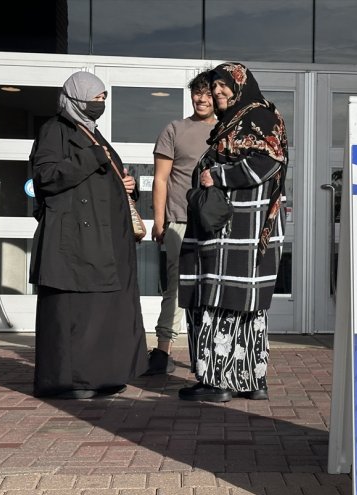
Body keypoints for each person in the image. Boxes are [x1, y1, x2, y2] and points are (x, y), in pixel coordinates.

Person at [29, 71, 147, 399]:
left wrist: (125, 186)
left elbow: (101, 178)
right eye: (96, 98)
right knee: (74, 313)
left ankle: (102, 376)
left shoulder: (92, 132)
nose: (101, 103)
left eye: (104, 98)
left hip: (103, 240)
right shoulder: (55, 130)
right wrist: (90, 157)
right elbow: (46, 176)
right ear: (77, 98)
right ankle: (71, 382)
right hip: (74, 240)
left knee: (100, 311)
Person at [177, 62, 288, 403]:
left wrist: (219, 176)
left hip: (239, 230)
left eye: (224, 85)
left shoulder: (257, 116)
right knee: (241, 305)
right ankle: (251, 380)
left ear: (240, 84)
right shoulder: (239, 120)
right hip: (235, 229)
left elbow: (270, 160)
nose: (218, 92)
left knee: (220, 300)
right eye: (214, 87)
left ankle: (218, 382)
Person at [145, 72, 216, 375]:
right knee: (174, 286)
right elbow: (160, 179)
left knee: (213, 288)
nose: (201, 99)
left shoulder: (227, 132)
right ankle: (163, 351)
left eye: (208, 94)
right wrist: (159, 221)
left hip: (215, 224)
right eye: (197, 93)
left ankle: (211, 352)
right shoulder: (175, 129)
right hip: (179, 221)